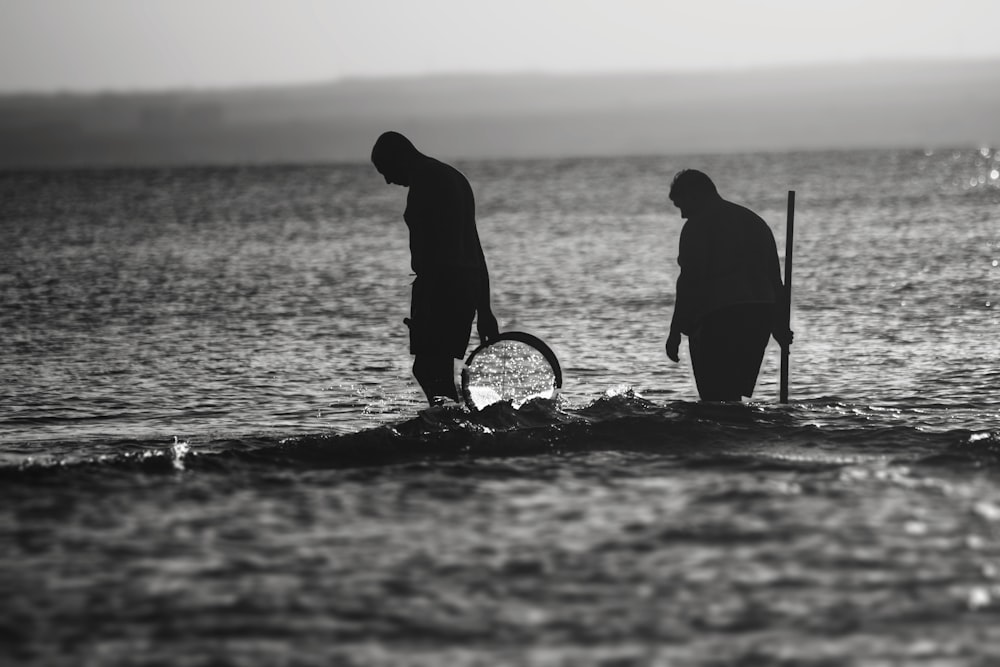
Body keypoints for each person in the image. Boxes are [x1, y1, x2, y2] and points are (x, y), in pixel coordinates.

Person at [371, 131, 500, 405]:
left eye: (386, 170)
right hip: (461, 286)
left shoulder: (428, 182)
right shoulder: (452, 176)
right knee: (434, 370)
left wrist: (429, 303)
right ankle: (457, 425)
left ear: (400, 157)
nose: (387, 180)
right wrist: (484, 308)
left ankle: (455, 430)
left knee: (430, 370)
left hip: (442, 288)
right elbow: (474, 248)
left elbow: (447, 254)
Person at [664, 169, 793, 401]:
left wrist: (675, 332)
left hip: (719, 318)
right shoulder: (754, 221)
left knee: (715, 401)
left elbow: (690, 281)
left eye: (682, 205)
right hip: (759, 316)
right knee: (733, 399)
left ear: (696, 195)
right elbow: (775, 280)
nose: (682, 215)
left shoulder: (697, 225)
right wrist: (778, 325)